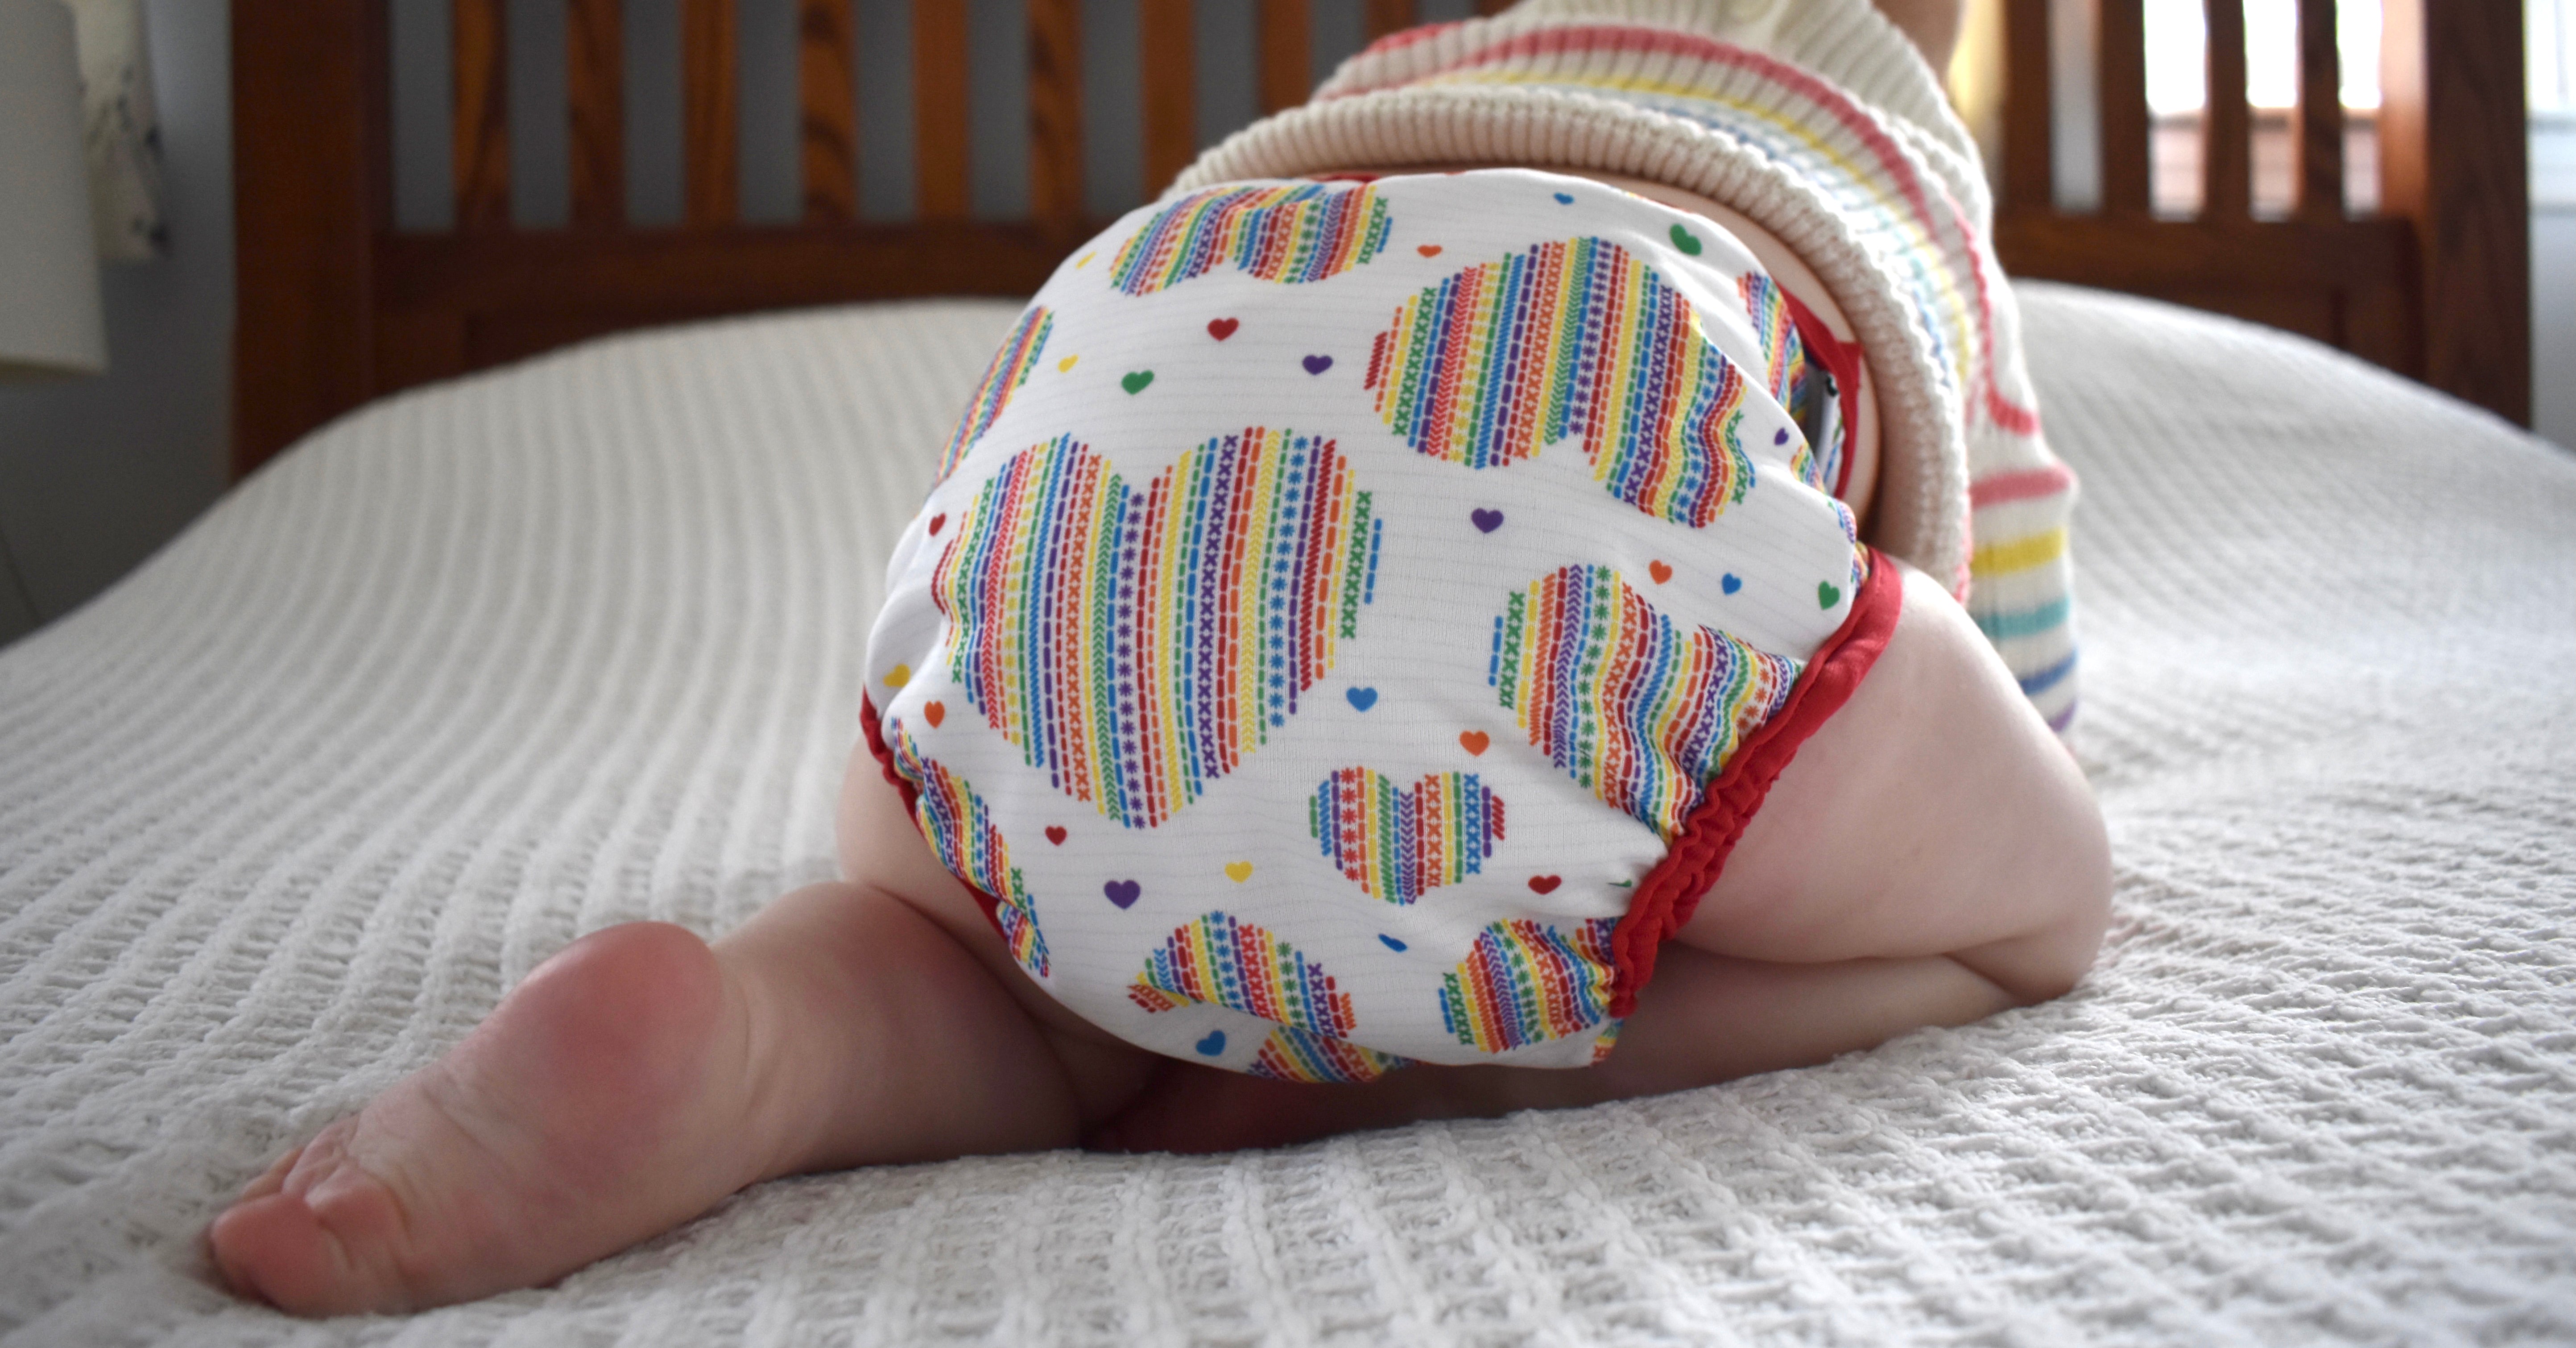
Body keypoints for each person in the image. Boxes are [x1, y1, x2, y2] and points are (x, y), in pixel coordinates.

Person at [207, 0, 2107, 1316]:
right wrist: (2003, 732)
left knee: (977, 957)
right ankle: (1454, 1051)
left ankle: (762, 1038)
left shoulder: (1405, 75)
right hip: (1594, 437)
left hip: (1102, 436)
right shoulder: (1886, 108)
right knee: (2034, 920)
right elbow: (2001, 572)